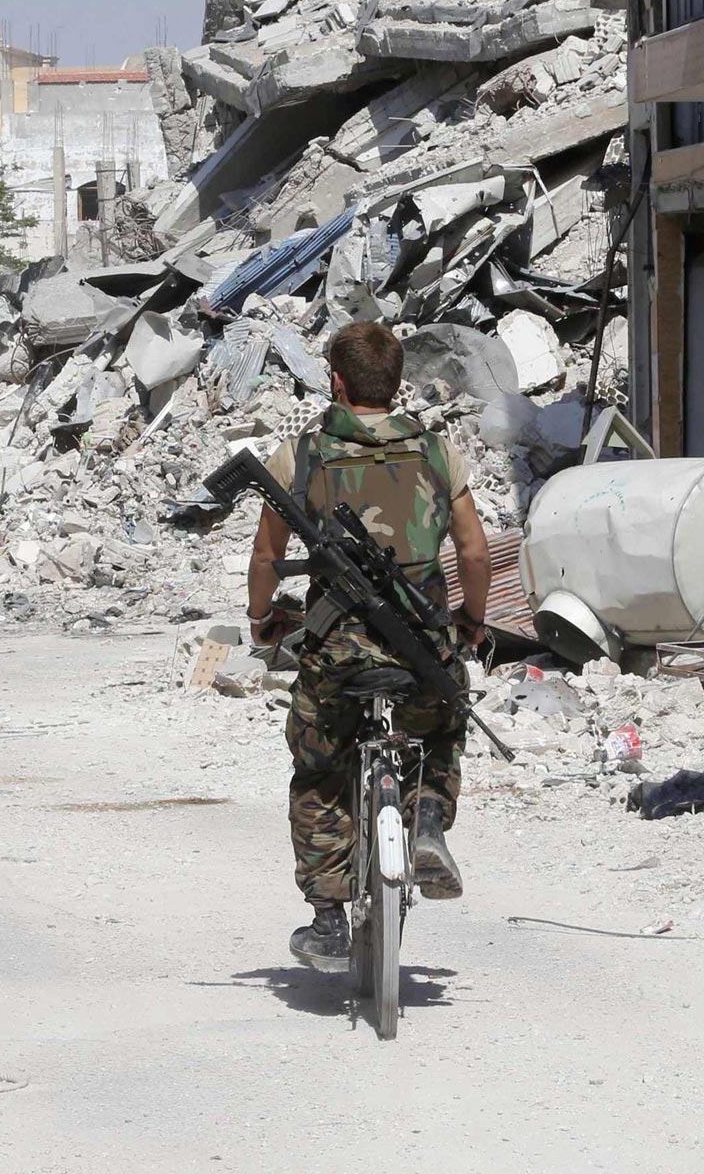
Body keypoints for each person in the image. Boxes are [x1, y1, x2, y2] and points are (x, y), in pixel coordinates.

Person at [247, 321, 492, 972]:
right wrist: (471, 620)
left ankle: (328, 919)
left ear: (335, 382)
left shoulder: (301, 455)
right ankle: (429, 824)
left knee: (320, 768)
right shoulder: (438, 453)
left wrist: (261, 619)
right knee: (442, 727)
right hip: (421, 650)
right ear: (397, 384)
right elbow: (473, 549)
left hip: (336, 653)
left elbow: (267, 556)